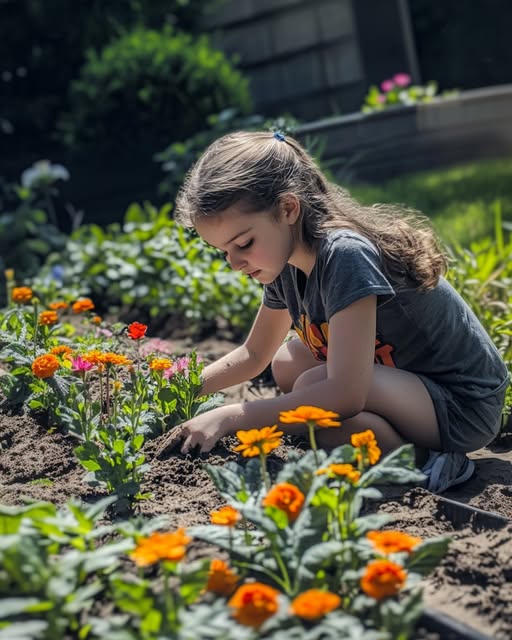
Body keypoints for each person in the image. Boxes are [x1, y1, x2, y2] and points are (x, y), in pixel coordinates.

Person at [157, 130, 509, 493]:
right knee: (288, 362)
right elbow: (254, 354)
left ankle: (429, 462)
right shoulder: (283, 262)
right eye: (224, 251)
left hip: (463, 403)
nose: (234, 262)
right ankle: (396, 444)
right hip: (409, 383)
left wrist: (232, 417)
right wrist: (176, 388)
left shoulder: (345, 256)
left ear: (288, 208)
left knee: (314, 392)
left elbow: (344, 395)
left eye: (243, 243)